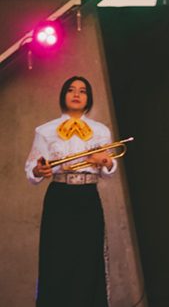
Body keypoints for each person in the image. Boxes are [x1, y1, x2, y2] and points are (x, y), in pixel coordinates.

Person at [25, 76, 115, 307]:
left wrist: (104, 160)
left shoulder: (100, 131)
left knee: (89, 260)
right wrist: (38, 168)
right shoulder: (45, 130)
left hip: (87, 197)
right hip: (60, 196)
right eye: (71, 90)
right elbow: (31, 169)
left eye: (83, 91)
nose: (77, 94)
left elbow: (109, 170)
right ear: (63, 95)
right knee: (57, 260)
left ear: (89, 98)